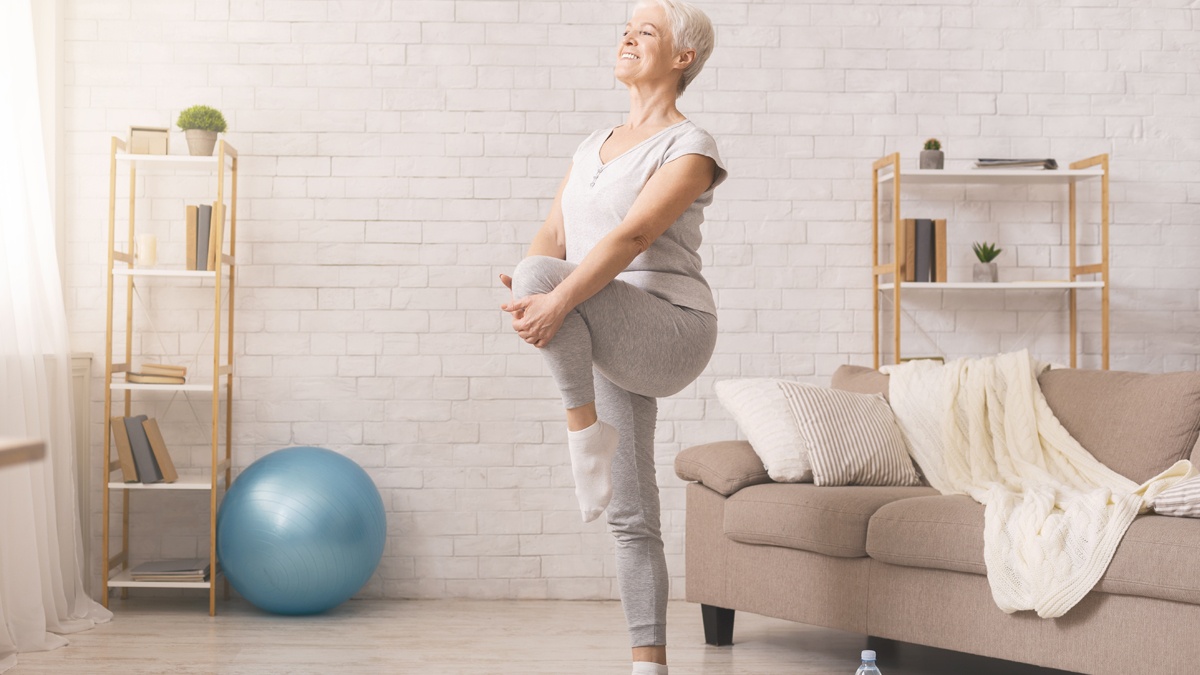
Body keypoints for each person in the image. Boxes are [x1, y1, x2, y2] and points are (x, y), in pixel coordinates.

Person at [499, 1, 724, 673]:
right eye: (625, 28)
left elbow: (633, 237)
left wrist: (552, 294)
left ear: (681, 58)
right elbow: (552, 236)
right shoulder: (590, 145)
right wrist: (529, 298)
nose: (627, 37)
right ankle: (648, 663)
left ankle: (580, 427)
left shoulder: (691, 146)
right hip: (605, 321)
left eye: (645, 31)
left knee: (545, 276)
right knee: (630, 512)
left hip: (673, 326)